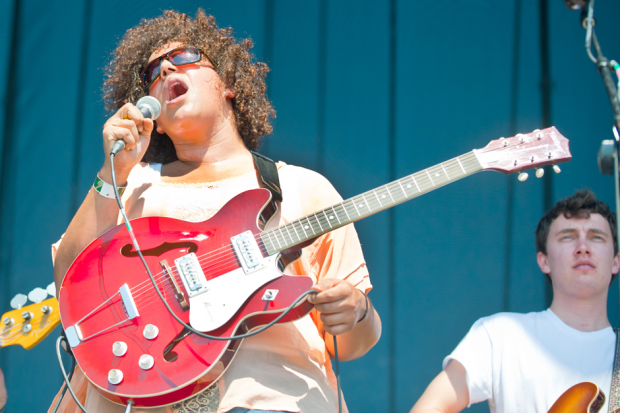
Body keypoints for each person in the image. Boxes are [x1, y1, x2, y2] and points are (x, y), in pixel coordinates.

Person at [49, 9, 381, 413]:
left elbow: (351, 345)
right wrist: (112, 172)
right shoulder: (129, 186)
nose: (166, 67)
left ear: (229, 85)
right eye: (152, 74)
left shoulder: (302, 188)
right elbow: (70, 282)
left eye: (186, 56)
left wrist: (357, 311)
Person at [410, 188, 619, 413]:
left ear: (616, 261)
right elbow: (430, 407)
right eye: (567, 237)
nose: (583, 248)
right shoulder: (501, 335)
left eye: (596, 237)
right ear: (544, 261)